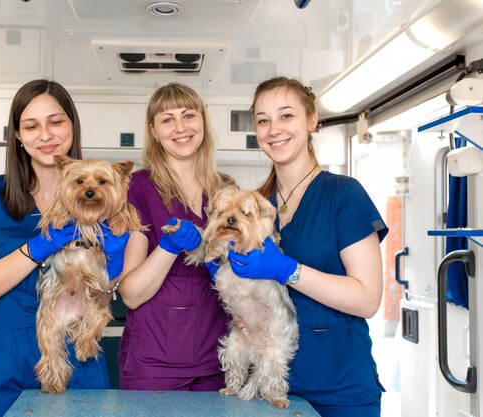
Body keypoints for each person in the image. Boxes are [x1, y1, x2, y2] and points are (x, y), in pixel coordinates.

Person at [0, 79, 128, 417]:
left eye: (56, 122)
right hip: (2, 354)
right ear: (17, 135)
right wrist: (36, 248)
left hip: (77, 351)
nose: (45, 135)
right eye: (31, 126)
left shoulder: (104, 197)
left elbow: (107, 292)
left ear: (72, 126)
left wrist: (113, 272)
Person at [222, 76, 388, 417]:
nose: (274, 129)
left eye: (286, 116)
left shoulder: (344, 195)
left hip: (339, 387)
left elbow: (367, 299)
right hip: (268, 388)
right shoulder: (254, 207)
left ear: (312, 121)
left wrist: (288, 270)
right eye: (263, 120)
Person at [117, 82, 234, 391]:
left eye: (189, 115)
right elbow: (130, 293)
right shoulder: (137, 188)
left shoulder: (226, 190)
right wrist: (168, 247)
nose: (180, 127)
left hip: (220, 360)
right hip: (154, 364)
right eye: (167, 119)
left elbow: (239, 277)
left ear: (203, 122)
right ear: (154, 131)